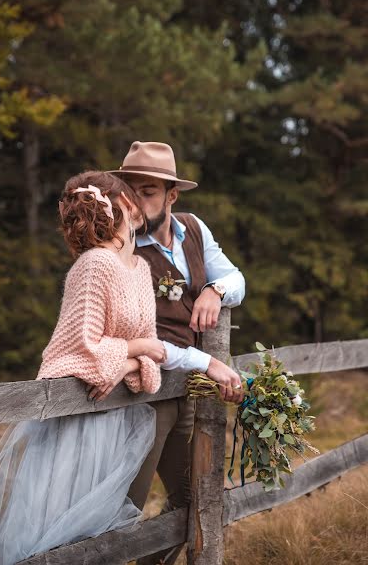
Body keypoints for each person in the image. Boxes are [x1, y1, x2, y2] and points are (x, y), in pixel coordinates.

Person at [0, 172, 165, 565]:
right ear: (121, 203)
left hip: (115, 420)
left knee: (97, 537)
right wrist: (139, 349)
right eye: (131, 194)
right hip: (75, 423)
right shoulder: (93, 265)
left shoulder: (141, 270)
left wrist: (132, 357)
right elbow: (76, 350)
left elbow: (151, 358)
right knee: (55, 530)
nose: (138, 200)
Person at [108, 141, 246, 565]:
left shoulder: (193, 230)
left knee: (195, 501)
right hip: (141, 396)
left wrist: (214, 289)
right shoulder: (117, 244)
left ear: (172, 195)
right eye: (129, 189)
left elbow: (236, 278)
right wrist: (207, 362)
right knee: (121, 509)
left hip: (182, 391)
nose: (134, 201)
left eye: (147, 191)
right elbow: (131, 335)